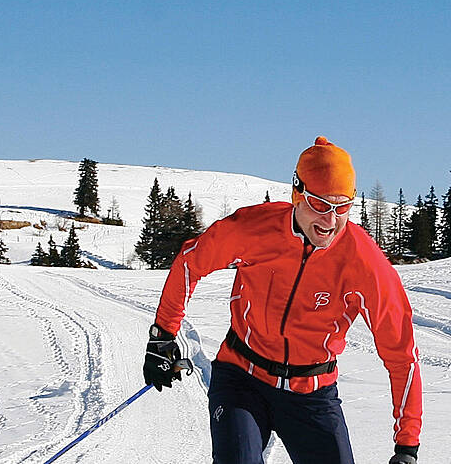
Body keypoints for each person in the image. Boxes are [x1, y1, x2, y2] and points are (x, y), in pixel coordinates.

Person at [144, 136, 422, 464]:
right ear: (297, 193)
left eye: (342, 207)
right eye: (319, 204)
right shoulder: (254, 229)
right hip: (242, 378)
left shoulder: (365, 263)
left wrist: (407, 446)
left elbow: (401, 355)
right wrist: (162, 335)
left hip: (312, 394)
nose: (330, 222)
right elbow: (190, 262)